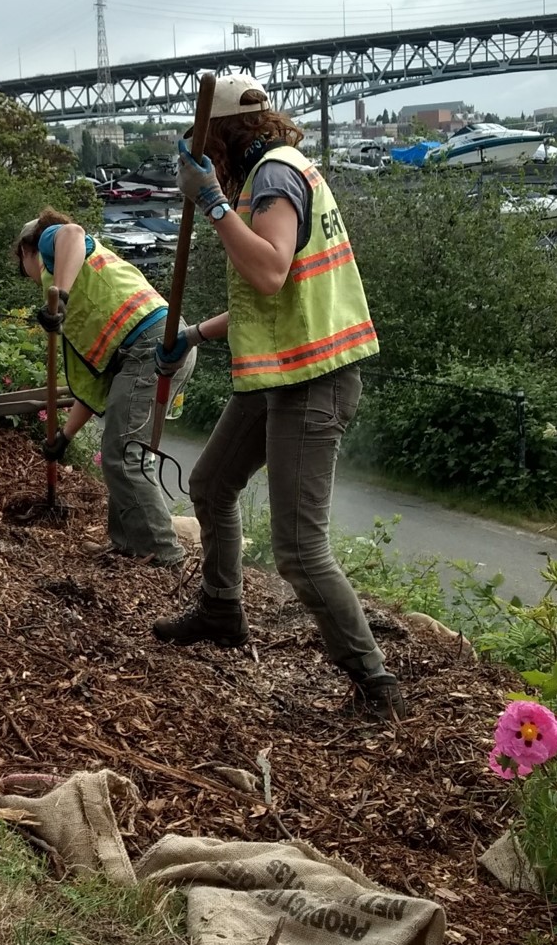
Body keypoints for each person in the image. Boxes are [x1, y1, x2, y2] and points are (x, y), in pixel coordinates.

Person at [149, 74, 406, 721]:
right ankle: (221, 609)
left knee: (298, 548)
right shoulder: (282, 173)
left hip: (312, 381)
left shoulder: (272, 178)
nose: (208, 164)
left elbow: (268, 269)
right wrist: (193, 333)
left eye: (208, 148)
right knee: (209, 483)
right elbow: (280, 297)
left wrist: (210, 202)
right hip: (284, 372)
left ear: (226, 140)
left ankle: (375, 683)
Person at [16, 209, 196, 565]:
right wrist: (63, 438)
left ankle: (163, 554)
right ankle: (128, 543)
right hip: (155, 346)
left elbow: (70, 232)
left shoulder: (50, 243)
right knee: (124, 450)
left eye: (21, 264)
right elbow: (96, 386)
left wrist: (61, 297)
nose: (26, 274)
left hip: (150, 345)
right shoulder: (75, 281)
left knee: (122, 454)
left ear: (26, 249)